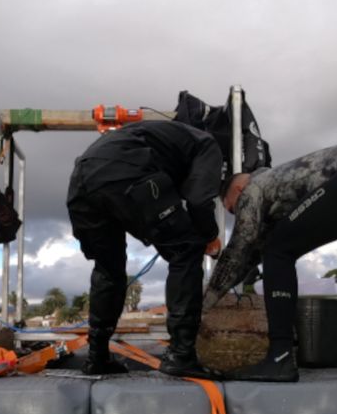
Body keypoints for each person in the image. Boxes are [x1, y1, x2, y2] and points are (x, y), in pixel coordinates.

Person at [203, 142, 337, 382]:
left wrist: (202, 305)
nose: (239, 214)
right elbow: (251, 253)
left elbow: (240, 247)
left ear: (237, 188)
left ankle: (280, 358)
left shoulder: (253, 188)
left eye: (232, 209)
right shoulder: (281, 187)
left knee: (277, 250)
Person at [67, 120, 223, 377]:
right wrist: (210, 236)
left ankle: (97, 357)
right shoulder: (208, 145)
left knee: (109, 267)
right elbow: (198, 201)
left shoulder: (162, 137)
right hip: (124, 168)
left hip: (81, 179)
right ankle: (181, 356)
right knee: (186, 249)